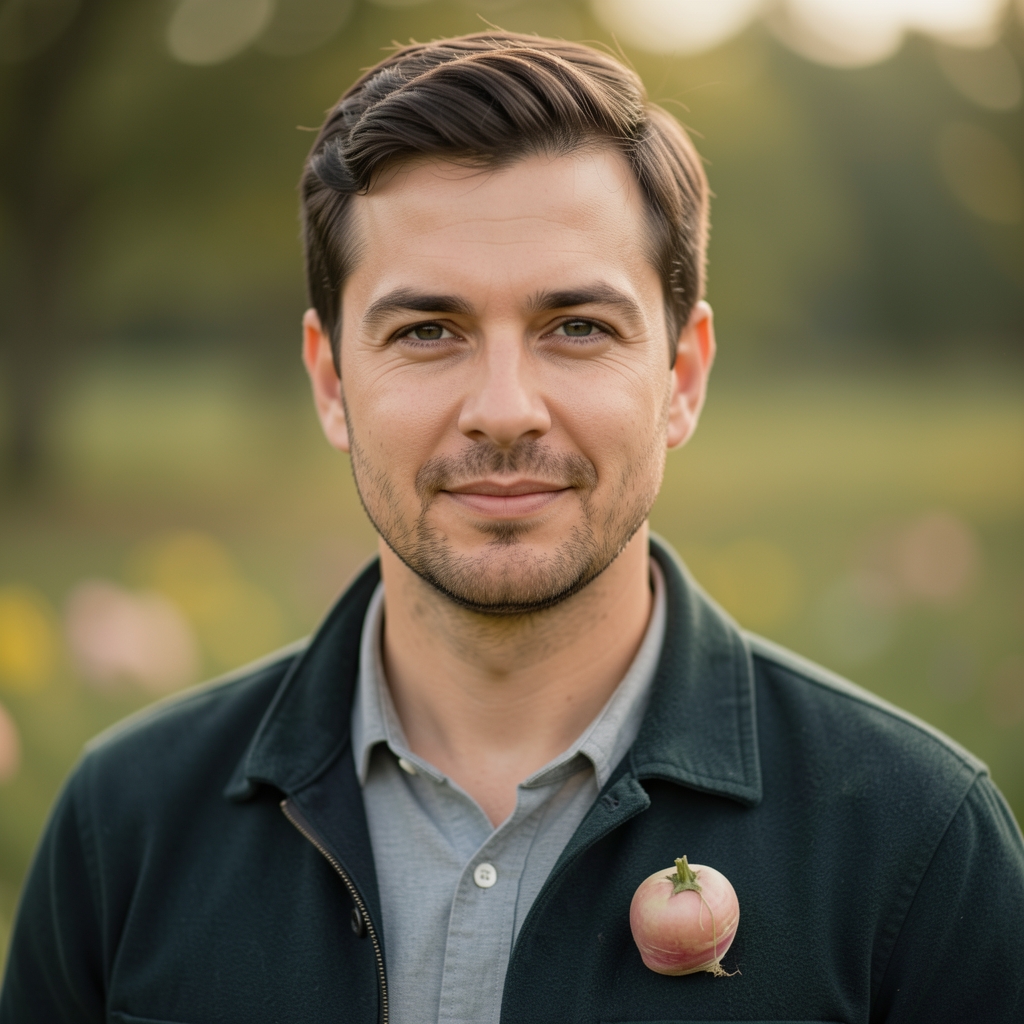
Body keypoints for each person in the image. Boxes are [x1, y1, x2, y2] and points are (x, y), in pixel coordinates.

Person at [2, 32, 1022, 1024]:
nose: (503, 407)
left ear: (682, 375)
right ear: (329, 380)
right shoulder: (123, 825)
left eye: (576, 327)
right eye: (427, 331)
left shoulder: (915, 845)